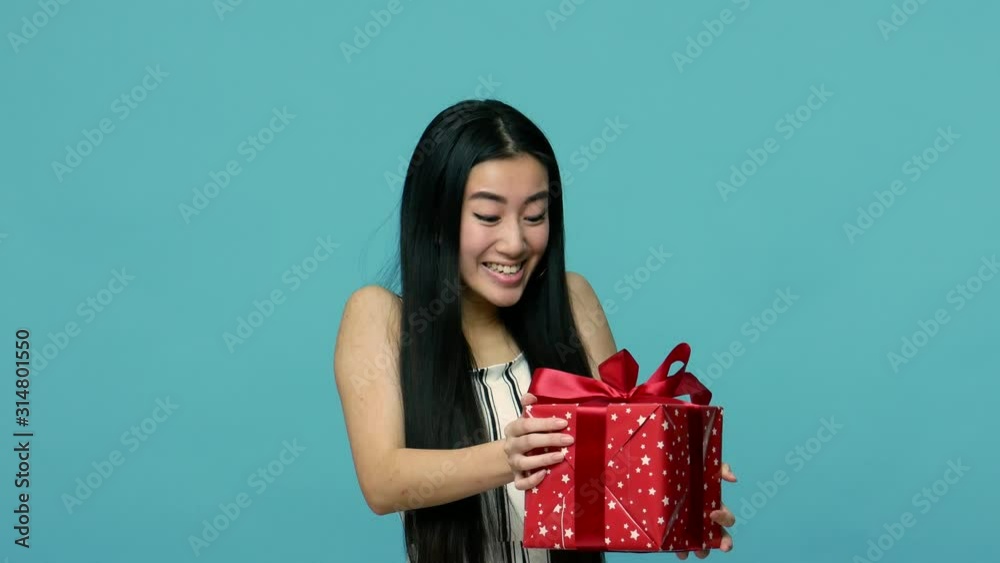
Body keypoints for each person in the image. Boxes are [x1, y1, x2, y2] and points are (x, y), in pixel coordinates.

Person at [333, 99, 737, 563]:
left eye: (534, 216)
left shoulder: (573, 300)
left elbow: (611, 476)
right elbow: (383, 481)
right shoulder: (380, 318)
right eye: (488, 216)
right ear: (437, 220)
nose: (515, 242)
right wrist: (513, 456)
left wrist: (681, 497)